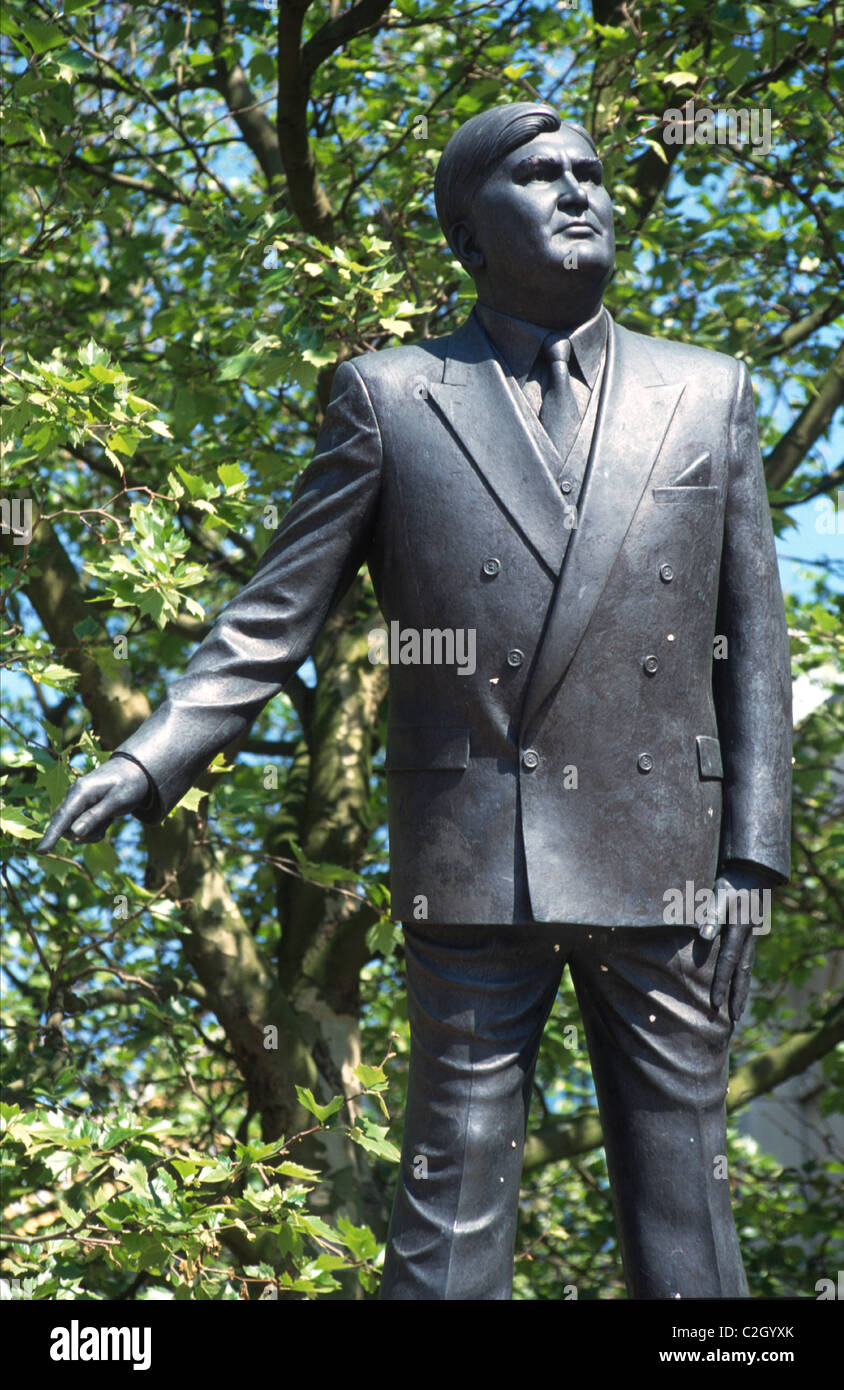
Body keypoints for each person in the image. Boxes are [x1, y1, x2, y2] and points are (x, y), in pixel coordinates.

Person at [39, 103, 792, 1300]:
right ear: (465, 229)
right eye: (539, 175)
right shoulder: (390, 397)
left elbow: (751, 641)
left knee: (688, 1203)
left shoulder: (709, 393)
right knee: (451, 1205)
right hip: (477, 853)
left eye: (588, 172)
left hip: (670, 861)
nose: (577, 192)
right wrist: (150, 756)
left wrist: (753, 859)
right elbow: (271, 617)